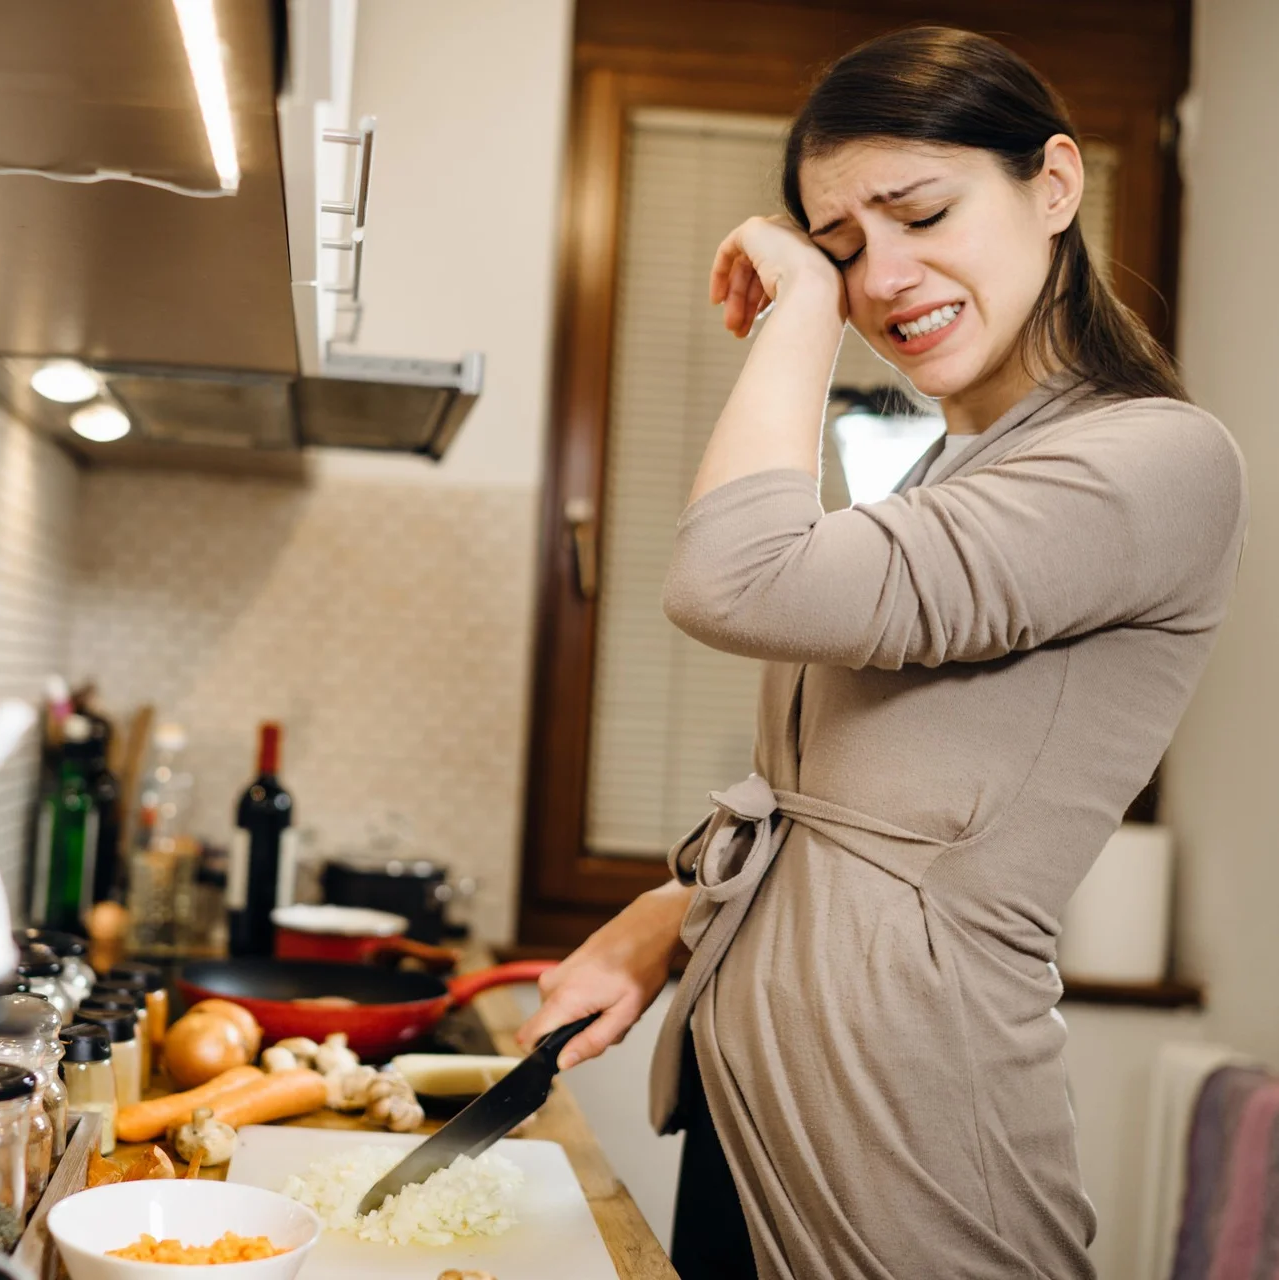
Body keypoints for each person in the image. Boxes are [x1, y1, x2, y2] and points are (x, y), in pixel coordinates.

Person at [516, 26, 1248, 1280]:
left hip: (904, 1162)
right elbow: (863, 802)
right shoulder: (954, 470)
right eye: (841, 247)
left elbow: (728, 576)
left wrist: (797, 307)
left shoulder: (1153, 460)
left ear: (1053, 185)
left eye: (919, 213)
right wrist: (672, 915)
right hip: (757, 1137)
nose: (881, 276)